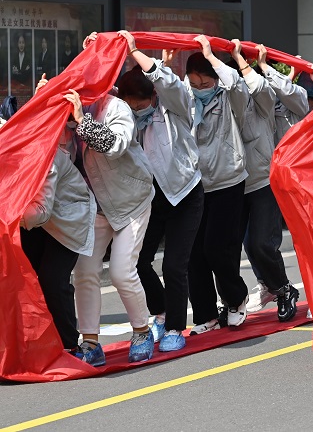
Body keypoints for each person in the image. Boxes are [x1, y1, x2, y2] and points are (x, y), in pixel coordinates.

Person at [116, 31, 205, 353]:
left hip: (184, 194)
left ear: (153, 97)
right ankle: (161, 312)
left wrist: (134, 50)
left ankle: (174, 328)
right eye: (132, 103)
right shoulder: (121, 116)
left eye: (143, 102)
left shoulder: (174, 106)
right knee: (137, 262)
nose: (139, 108)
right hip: (146, 200)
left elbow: (166, 81)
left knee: (174, 265)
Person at [66, 84, 156, 366]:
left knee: (121, 272)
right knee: (84, 271)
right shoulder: (70, 107)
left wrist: (82, 120)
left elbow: (114, 145)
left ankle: (142, 331)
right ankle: (90, 341)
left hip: (131, 201)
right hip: (96, 205)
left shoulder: (117, 107)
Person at [228, 41, 300, 323]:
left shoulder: (262, 97)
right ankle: (264, 288)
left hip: (262, 179)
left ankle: (283, 289)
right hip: (231, 183)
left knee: (261, 243)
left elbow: (275, 93)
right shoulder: (219, 98)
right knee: (243, 245)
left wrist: (256, 65)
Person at [184, 36, 251, 334]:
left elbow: (235, 83)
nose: (199, 91)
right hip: (196, 184)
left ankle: (237, 299)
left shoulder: (229, 97)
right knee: (194, 252)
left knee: (216, 248)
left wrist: (212, 57)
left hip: (227, 180)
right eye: (193, 84)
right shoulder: (185, 98)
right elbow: (164, 88)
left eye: (204, 84)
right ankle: (206, 315)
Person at [19, 146, 96, 357]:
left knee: (52, 280)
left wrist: (9, 213)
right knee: (21, 277)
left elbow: (41, 212)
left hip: (67, 219)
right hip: (35, 221)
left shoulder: (44, 155)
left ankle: (70, 346)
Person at [257, 46, 309, 144]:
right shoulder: (257, 99)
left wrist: (264, 66)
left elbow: (285, 91)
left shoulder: (300, 96)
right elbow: (281, 91)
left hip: (290, 155)